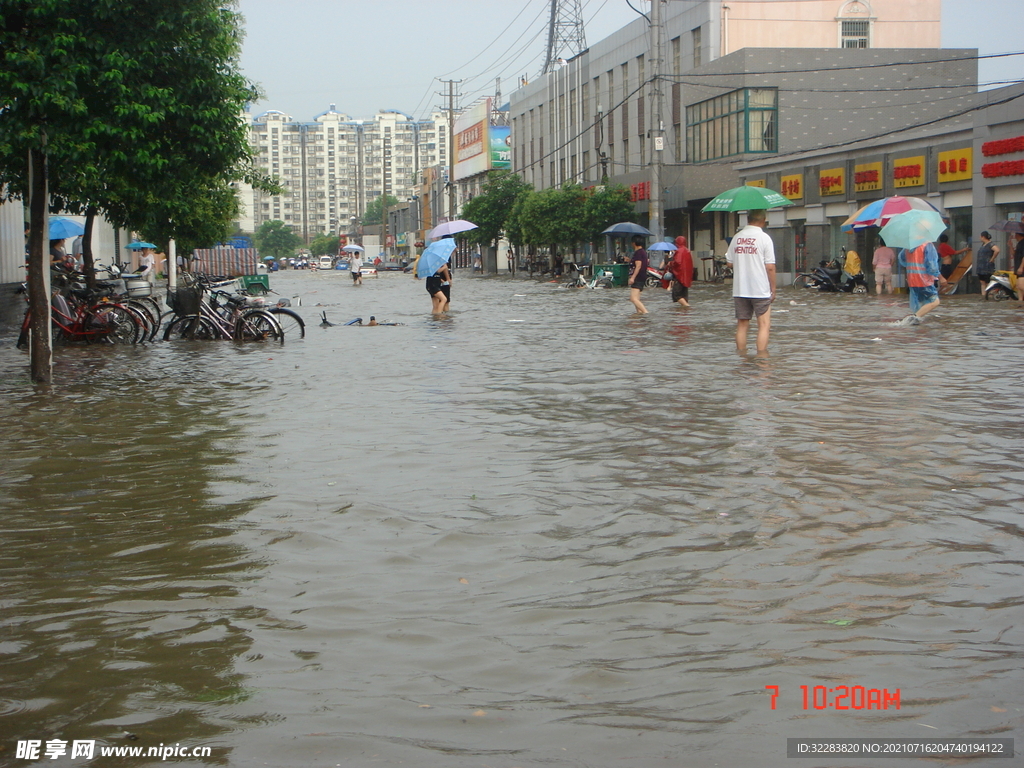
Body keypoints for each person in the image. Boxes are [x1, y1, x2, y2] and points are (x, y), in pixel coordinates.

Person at [725, 210, 776, 354]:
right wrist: (773, 289)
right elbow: (770, 267)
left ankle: (742, 358)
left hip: (740, 288)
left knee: (742, 325)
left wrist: (743, 261)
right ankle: (761, 359)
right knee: (764, 325)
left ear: (748, 220)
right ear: (763, 220)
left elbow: (729, 263)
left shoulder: (737, 237)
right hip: (760, 288)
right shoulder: (764, 238)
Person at [896, 240, 946, 325]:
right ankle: (912, 318)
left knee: (920, 305)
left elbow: (901, 258)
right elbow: (932, 265)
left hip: (912, 279)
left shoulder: (908, 246)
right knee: (934, 301)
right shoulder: (927, 245)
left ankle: (917, 328)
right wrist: (941, 277)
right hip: (923, 280)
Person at [663, 235, 693, 307]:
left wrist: (671, 263)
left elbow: (678, 262)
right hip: (686, 277)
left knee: (677, 295)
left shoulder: (679, 251)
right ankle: (684, 311)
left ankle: (687, 307)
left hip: (679, 276)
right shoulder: (687, 251)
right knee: (684, 295)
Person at [626, 235, 649, 314]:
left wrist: (632, 278)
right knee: (637, 299)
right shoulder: (642, 252)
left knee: (633, 298)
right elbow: (637, 264)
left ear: (634, 243)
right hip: (641, 277)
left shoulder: (638, 253)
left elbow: (638, 266)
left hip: (638, 277)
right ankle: (639, 316)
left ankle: (645, 313)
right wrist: (630, 260)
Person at [974, 231, 998, 298]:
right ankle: (984, 295)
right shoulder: (983, 245)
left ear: (983, 237)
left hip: (987, 266)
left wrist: (992, 258)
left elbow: (997, 250)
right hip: (981, 267)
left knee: (988, 282)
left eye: (980, 236)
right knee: (982, 282)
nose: (979, 238)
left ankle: (989, 295)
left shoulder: (990, 244)